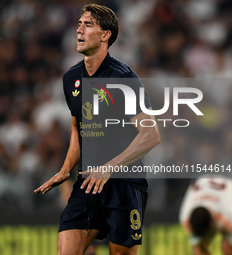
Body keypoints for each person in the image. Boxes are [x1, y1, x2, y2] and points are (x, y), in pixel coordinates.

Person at [34, 4, 160, 255]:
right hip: (88, 181)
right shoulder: (71, 79)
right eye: (79, 24)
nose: (79, 30)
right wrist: (66, 169)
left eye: (88, 24)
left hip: (125, 184)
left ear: (105, 35)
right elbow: (77, 129)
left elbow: (151, 135)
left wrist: (110, 167)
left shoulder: (124, 79)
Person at [179, 175, 232, 255]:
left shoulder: (227, 214)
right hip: (203, 181)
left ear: (213, 220)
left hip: (227, 187)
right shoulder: (185, 218)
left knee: (227, 247)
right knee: (199, 250)